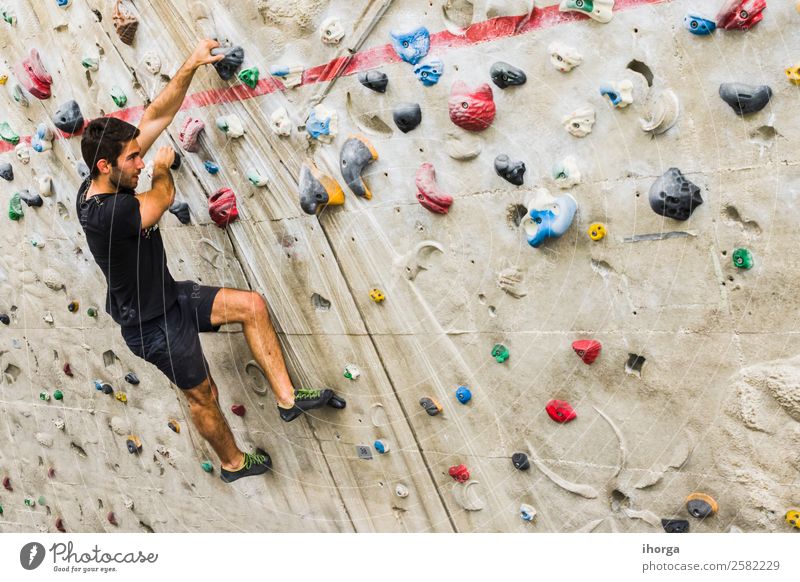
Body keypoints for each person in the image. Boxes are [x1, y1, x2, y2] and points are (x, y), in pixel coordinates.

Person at [75, 39, 345, 483]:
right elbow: (162, 196)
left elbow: (156, 115)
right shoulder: (108, 213)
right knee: (204, 395)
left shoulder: (108, 172)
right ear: (106, 166)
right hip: (150, 325)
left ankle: (287, 397)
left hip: (167, 296)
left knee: (251, 306)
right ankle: (233, 464)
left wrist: (192, 64)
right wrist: (161, 168)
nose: (140, 161)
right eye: (133, 158)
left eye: (140, 154)